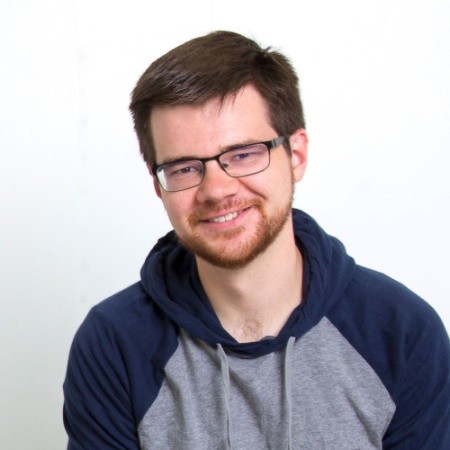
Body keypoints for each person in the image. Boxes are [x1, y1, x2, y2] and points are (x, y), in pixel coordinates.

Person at [63, 30, 450, 449]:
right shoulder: (115, 343)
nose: (216, 190)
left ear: (296, 155)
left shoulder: (401, 332)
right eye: (184, 168)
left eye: (243, 154)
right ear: (159, 186)